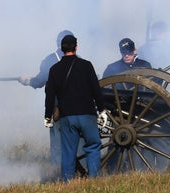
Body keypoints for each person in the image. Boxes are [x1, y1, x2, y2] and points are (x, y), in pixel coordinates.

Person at [44, 34, 107, 181]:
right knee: (92, 146)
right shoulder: (86, 65)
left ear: (61, 49)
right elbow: (95, 90)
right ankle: (94, 179)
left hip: (67, 117)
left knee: (68, 152)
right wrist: (102, 110)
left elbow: (50, 95)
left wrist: (48, 116)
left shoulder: (54, 69)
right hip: (87, 114)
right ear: (76, 47)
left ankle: (67, 182)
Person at [18, 29, 72, 165]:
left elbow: (39, 81)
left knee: (57, 141)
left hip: (58, 106)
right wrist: (30, 81)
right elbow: (41, 80)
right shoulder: (75, 59)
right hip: (68, 105)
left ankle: (58, 169)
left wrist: (28, 81)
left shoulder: (50, 60)